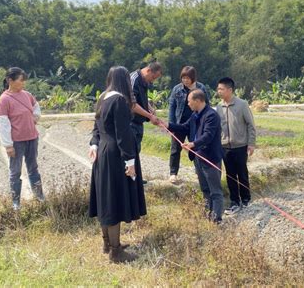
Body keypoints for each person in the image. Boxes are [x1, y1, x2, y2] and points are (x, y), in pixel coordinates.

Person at [88, 66, 146, 263]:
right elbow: (123, 135)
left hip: (103, 152)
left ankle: (108, 244)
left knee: (106, 198)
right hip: (115, 155)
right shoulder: (120, 100)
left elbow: (96, 127)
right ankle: (116, 252)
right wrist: (130, 161)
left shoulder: (103, 97)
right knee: (114, 201)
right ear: (125, 81)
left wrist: (94, 144)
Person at [160, 89, 224, 223]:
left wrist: (193, 144)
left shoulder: (211, 116)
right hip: (198, 158)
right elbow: (184, 127)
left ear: (198, 101)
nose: (188, 104)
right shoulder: (195, 115)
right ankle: (208, 216)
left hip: (210, 158)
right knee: (205, 189)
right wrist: (167, 125)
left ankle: (216, 219)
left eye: (189, 101)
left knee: (215, 191)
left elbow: (208, 136)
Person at [0, 67, 45, 211]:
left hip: (32, 138)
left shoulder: (27, 95)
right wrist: (8, 145)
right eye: (21, 80)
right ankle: (16, 202)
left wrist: (35, 119)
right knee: (15, 171)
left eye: (24, 80)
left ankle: (39, 197)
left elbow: (36, 107)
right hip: (16, 142)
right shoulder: (4, 99)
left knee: (33, 168)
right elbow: (2, 123)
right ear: (10, 80)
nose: (23, 83)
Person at [216, 77, 256, 215]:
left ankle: (246, 199)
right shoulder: (219, 107)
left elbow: (251, 125)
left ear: (229, 90)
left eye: (221, 89)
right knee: (230, 175)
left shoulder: (242, 104)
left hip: (240, 146)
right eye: (218, 89)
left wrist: (251, 143)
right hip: (225, 147)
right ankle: (234, 201)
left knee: (242, 173)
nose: (218, 91)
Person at [168, 66, 210, 184]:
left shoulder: (201, 88)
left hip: (196, 124)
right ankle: (173, 173)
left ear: (193, 78)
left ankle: (199, 172)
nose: (185, 80)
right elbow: (172, 107)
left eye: (187, 78)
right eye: (183, 78)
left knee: (196, 148)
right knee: (175, 149)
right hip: (180, 123)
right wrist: (171, 125)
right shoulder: (177, 89)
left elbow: (206, 105)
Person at [130, 61, 163, 183]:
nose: (153, 81)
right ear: (148, 70)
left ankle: (135, 177)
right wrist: (150, 115)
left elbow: (142, 98)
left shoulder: (144, 81)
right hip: (130, 122)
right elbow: (132, 104)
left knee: (136, 150)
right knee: (130, 151)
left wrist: (149, 108)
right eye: (153, 77)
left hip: (139, 122)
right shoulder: (134, 78)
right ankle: (130, 177)